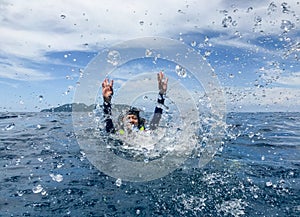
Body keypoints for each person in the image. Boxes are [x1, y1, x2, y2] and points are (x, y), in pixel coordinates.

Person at [102, 72, 168, 134]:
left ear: (138, 122)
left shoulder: (143, 133)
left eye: (134, 118)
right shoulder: (118, 134)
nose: (131, 120)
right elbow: (108, 124)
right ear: (122, 122)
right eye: (128, 118)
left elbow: (155, 120)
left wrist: (161, 94)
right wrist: (106, 101)